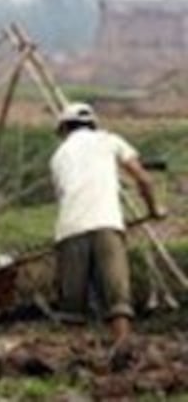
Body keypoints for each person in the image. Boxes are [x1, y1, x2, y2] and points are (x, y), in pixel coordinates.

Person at [49, 102, 165, 354]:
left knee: (72, 306)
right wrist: (155, 209)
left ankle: (76, 361)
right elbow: (143, 179)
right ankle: (123, 354)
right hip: (106, 224)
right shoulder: (109, 140)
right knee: (117, 299)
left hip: (69, 229)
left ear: (64, 128)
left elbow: (63, 195)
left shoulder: (58, 156)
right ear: (92, 124)